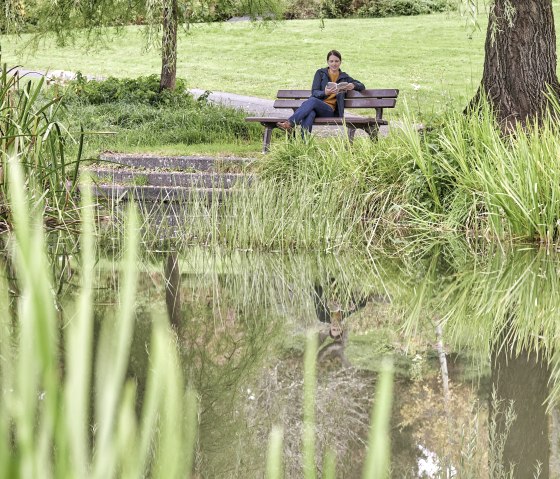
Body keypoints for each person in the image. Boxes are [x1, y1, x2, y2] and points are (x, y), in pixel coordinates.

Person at [276, 50, 365, 134]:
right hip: (316, 107)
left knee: (312, 101)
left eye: (336, 61)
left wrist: (353, 85)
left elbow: (362, 85)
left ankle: (290, 123)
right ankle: (305, 144)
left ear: (340, 62)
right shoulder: (320, 73)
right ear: (328, 62)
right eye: (331, 61)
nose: (334, 64)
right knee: (310, 113)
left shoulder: (344, 77)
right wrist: (325, 93)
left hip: (330, 111)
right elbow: (314, 92)